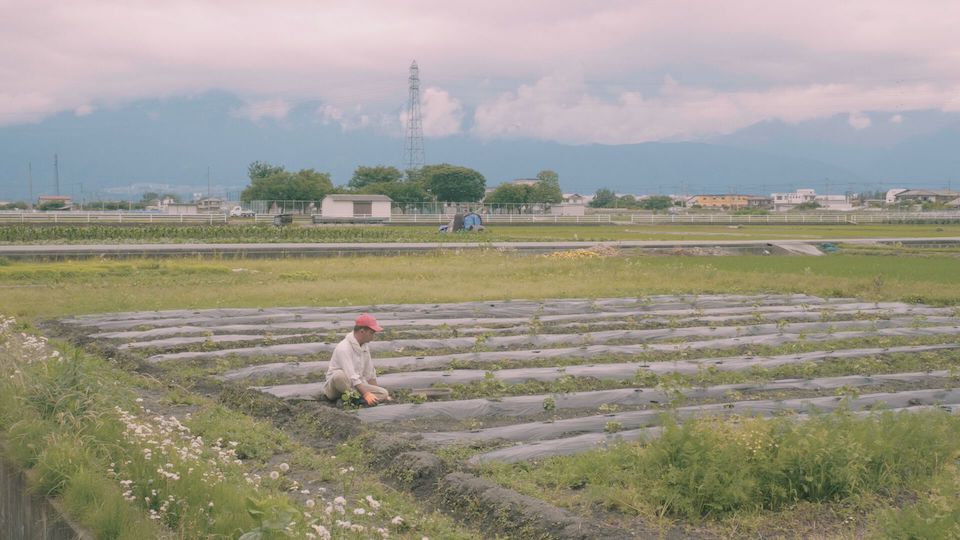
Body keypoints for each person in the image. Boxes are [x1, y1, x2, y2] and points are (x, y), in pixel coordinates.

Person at [320, 313, 391, 406]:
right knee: (339, 375)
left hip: (355, 386)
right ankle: (352, 399)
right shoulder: (344, 347)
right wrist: (366, 394)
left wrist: (378, 392)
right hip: (336, 387)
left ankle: (349, 399)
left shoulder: (365, 347)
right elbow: (351, 375)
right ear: (362, 331)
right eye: (371, 333)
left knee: (384, 393)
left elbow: (369, 373)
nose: (373, 336)